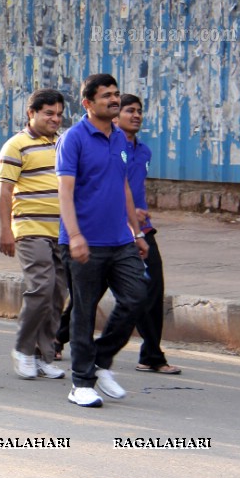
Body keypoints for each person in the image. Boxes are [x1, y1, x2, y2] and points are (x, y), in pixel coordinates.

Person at [55, 73, 148, 408]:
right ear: (87, 103)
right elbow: (64, 192)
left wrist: (136, 232)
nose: (114, 100)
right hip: (83, 242)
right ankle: (81, 382)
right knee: (83, 310)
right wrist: (75, 235)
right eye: (106, 95)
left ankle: (101, 359)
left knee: (137, 297)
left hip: (120, 240)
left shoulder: (120, 138)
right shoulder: (74, 139)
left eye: (116, 94)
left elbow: (123, 187)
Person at [0, 88, 68, 381]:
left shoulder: (64, 144)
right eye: (49, 113)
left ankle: (44, 356)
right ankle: (23, 350)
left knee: (56, 294)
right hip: (30, 229)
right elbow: (4, 192)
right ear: (32, 113)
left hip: (61, 231)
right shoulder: (15, 146)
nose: (55, 119)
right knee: (41, 287)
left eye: (59, 114)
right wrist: (6, 231)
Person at [114, 94, 180, 376]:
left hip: (141, 229)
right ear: (115, 116)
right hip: (109, 227)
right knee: (90, 294)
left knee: (152, 289)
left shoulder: (144, 151)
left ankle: (151, 355)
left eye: (139, 111)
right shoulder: (109, 146)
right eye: (130, 110)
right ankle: (60, 336)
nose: (137, 115)